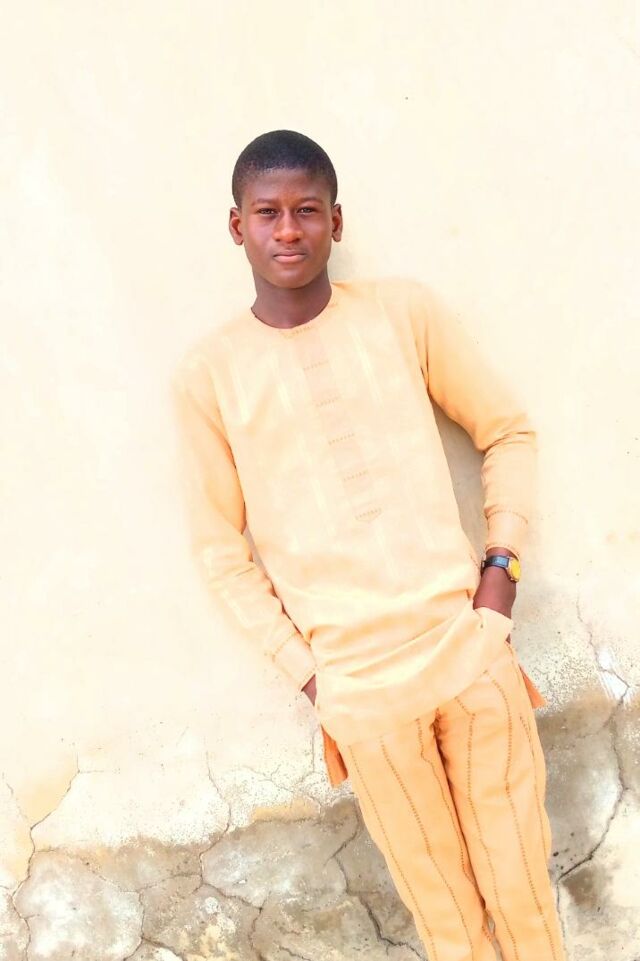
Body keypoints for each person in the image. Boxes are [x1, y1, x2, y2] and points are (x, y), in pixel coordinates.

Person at [171, 129, 566, 961]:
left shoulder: (401, 313)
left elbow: (507, 430)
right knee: (449, 922)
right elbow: (220, 552)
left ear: (337, 221)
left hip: (469, 653)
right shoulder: (209, 375)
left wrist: (500, 574)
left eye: (307, 210)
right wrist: (316, 677)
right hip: (362, 697)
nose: (288, 230)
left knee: (525, 895)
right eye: (268, 212)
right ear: (236, 226)